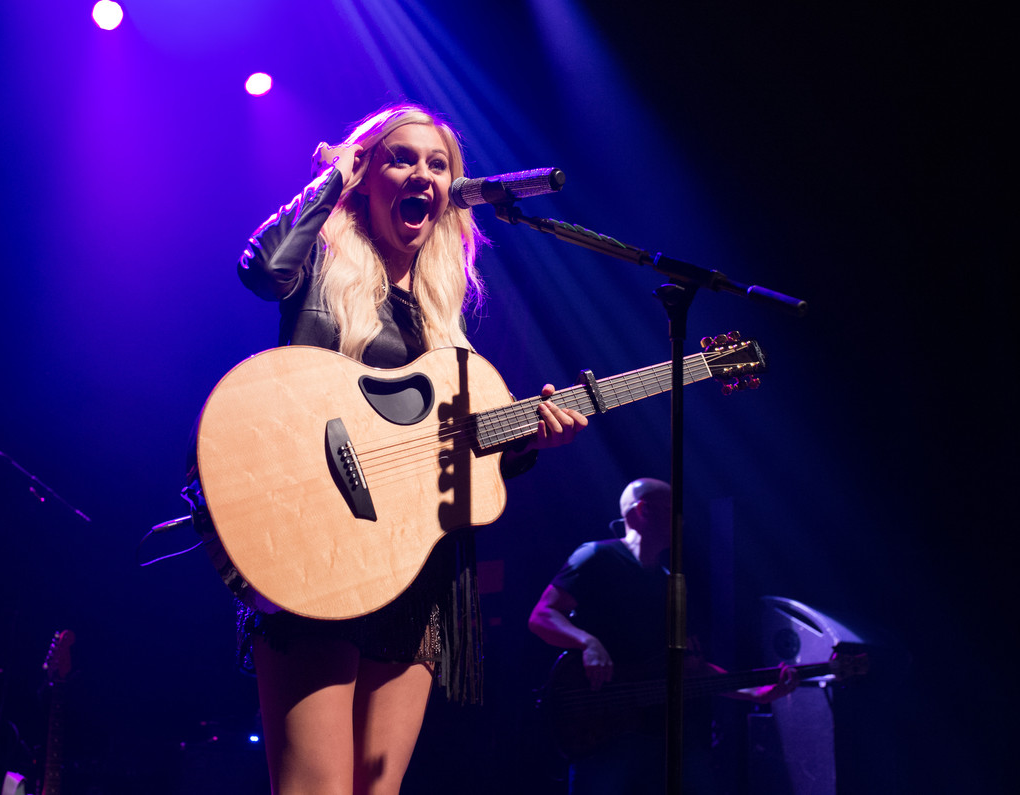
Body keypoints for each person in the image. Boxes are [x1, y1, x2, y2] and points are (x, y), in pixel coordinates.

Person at [232, 103, 588, 795]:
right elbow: (260, 268)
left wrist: (526, 439)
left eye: (438, 164)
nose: (423, 173)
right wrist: (334, 176)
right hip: (317, 549)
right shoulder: (320, 267)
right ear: (368, 173)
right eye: (401, 158)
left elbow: (455, 466)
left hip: (413, 568)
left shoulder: (441, 316)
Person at [528, 477, 798, 794]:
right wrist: (588, 642)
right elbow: (542, 615)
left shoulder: (675, 585)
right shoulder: (595, 557)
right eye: (672, 508)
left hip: (664, 736)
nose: (680, 519)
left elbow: (690, 668)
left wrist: (757, 694)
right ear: (642, 510)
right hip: (603, 730)